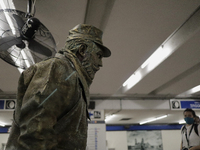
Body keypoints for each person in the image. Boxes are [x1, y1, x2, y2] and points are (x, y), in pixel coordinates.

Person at [6, 24, 111, 150]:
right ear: (82, 50)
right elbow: (35, 134)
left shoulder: (73, 78)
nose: (100, 64)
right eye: (98, 55)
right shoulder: (57, 70)